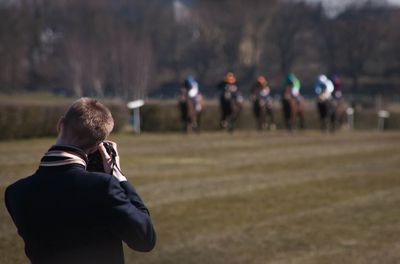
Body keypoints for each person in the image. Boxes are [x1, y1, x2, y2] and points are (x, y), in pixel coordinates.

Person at [5, 98, 156, 264]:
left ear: (60, 124)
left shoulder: (16, 193)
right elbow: (145, 239)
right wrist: (120, 178)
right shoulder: (103, 188)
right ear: (98, 145)